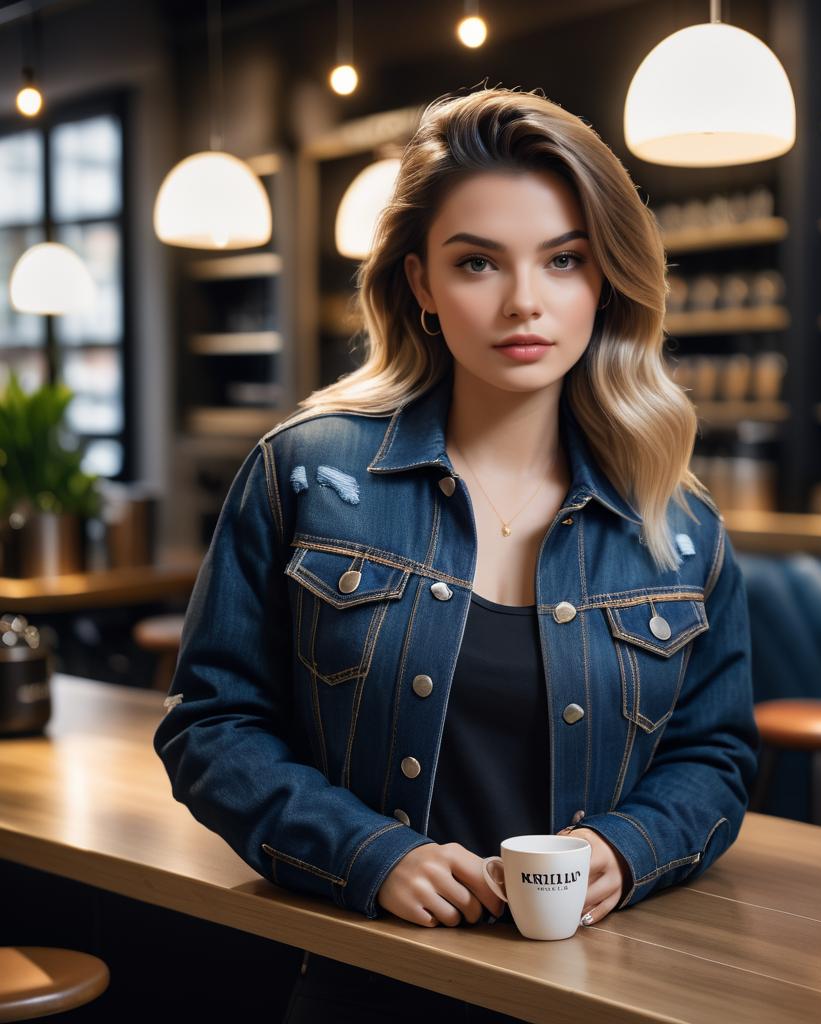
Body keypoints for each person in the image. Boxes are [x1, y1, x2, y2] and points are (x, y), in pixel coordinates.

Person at [153, 85, 759, 1024]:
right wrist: (368, 852)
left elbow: (713, 755)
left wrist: (631, 845)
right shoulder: (305, 476)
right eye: (478, 262)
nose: (525, 301)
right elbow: (211, 726)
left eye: (564, 260)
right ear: (421, 286)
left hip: (605, 994)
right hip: (369, 988)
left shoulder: (676, 526)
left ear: (606, 283)